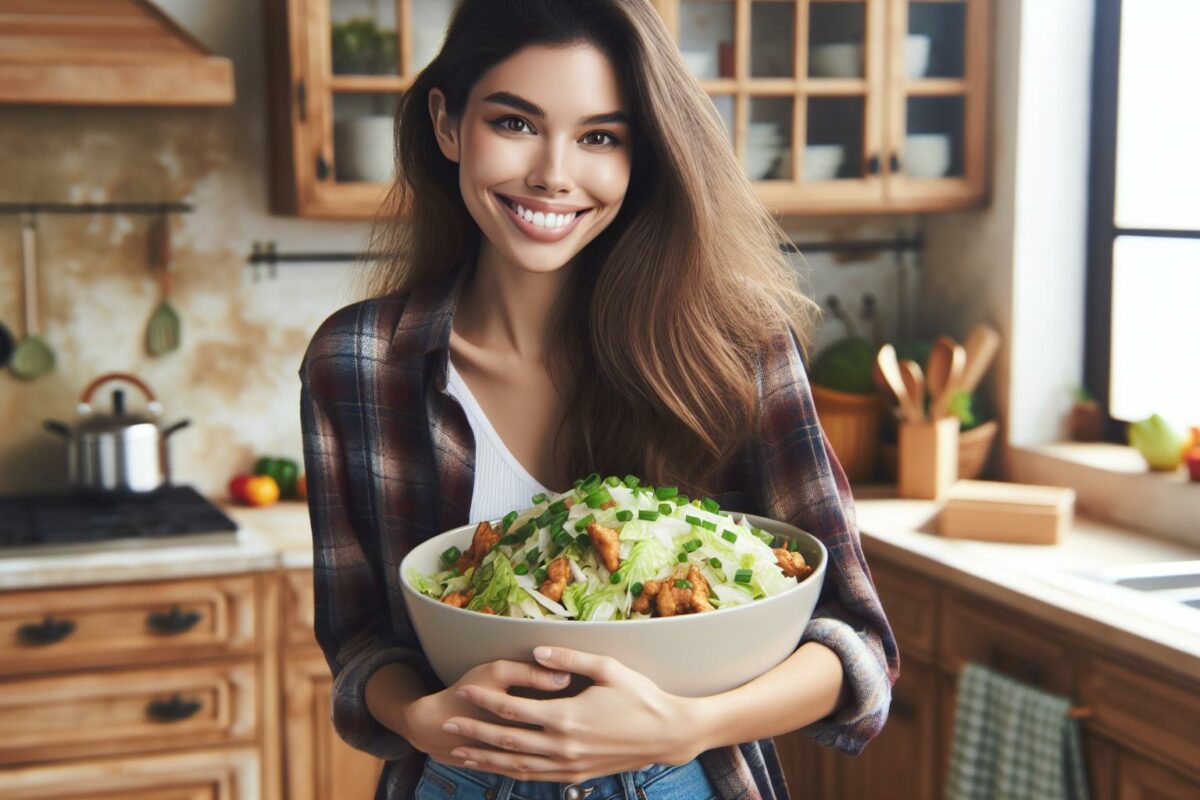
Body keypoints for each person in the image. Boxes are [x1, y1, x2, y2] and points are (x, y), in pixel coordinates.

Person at [299, 1, 899, 798]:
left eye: (599, 137)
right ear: (447, 125)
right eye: (515, 123)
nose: (554, 172)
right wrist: (418, 718)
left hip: (685, 776)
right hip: (461, 778)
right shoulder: (358, 364)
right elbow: (361, 639)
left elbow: (855, 644)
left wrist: (692, 724)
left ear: (641, 155)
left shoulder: (735, 347)